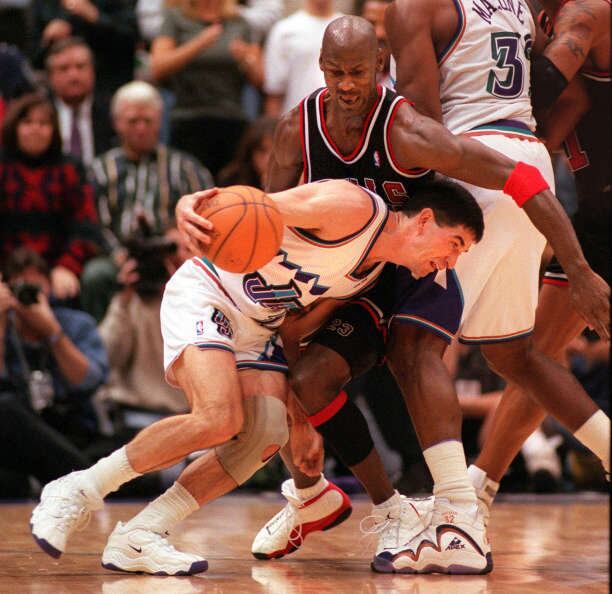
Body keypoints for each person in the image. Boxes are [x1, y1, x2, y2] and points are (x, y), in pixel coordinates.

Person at [176, 15, 609, 574]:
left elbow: (513, 176)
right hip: (354, 275)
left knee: (416, 352)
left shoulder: (408, 128)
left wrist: (578, 268)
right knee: (311, 379)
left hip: (421, 251)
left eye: (359, 71)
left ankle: (459, 514)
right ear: (321, 70)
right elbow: (264, 227)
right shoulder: (296, 130)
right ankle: (370, 504)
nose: (348, 84)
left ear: (381, 67)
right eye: (336, 73)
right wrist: (196, 208)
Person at [30, 176, 484, 575]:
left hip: (259, 325)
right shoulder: (351, 208)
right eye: (456, 244)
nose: (451, 261)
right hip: (209, 291)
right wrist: (187, 203)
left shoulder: (368, 273)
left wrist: (296, 414)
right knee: (218, 418)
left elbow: (292, 326)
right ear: (424, 221)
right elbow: (245, 203)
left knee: (264, 434)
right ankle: (77, 490)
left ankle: (141, 535)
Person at [468, 0, 611, 510]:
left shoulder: (587, 13)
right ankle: (475, 493)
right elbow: (558, 118)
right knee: (534, 359)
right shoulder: (536, 20)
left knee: (530, 358)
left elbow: (546, 93)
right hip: (596, 221)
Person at [80, 80, 213, 321]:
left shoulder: (187, 168)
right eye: (132, 121)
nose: (140, 128)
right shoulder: (100, 169)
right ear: (117, 123)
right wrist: (119, 256)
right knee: (95, 275)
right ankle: (99, 353)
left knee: (202, 275)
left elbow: (209, 217)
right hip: (117, 258)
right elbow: (92, 223)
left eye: (147, 121)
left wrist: (181, 243)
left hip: (174, 258)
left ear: (159, 120)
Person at [0, 248, 108, 497]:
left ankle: (70, 483)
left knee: (119, 453)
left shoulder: (75, 323)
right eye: (21, 290)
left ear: (49, 288)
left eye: (36, 290)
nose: (28, 298)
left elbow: (89, 382)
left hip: (74, 434)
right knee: (4, 408)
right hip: (21, 438)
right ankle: (82, 485)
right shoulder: (5, 327)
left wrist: (53, 332)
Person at [0, 92, 100, 300]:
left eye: (43, 123)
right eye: (27, 122)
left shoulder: (71, 169)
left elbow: (86, 228)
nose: (35, 129)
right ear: (14, 127)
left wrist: (66, 267)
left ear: (54, 130)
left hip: (58, 272)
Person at [150, 0, 263, 177]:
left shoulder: (239, 22)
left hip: (231, 119)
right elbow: (158, 67)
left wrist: (247, 59)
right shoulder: (175, 17)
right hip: (189, 118)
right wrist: (199, 43)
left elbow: (260, 79)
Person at [31, 0, 138, 100]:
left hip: (108, 87)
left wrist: (96, 17)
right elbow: (33, 57)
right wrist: (48, 38)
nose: (73, 74)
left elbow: (131, 39)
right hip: (55, 96)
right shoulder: (44, 4)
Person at [262, 0, 343, 116]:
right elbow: (274, 93)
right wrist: (274, 131)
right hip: (296, 122)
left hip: (341, 123)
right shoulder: (284, 30)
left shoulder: (349, 29)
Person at [45, 37, 115, 165]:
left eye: (80, 67)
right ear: (50, 77)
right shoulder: (41, 115)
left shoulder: (112, 112)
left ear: (93, 71)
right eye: (64, 69)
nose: (73, 76)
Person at [217, 116, 278, 189]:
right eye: (262, 151)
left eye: (275, 151)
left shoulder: (293, 182)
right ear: (250, 152)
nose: (268, 159)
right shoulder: (231, 180)